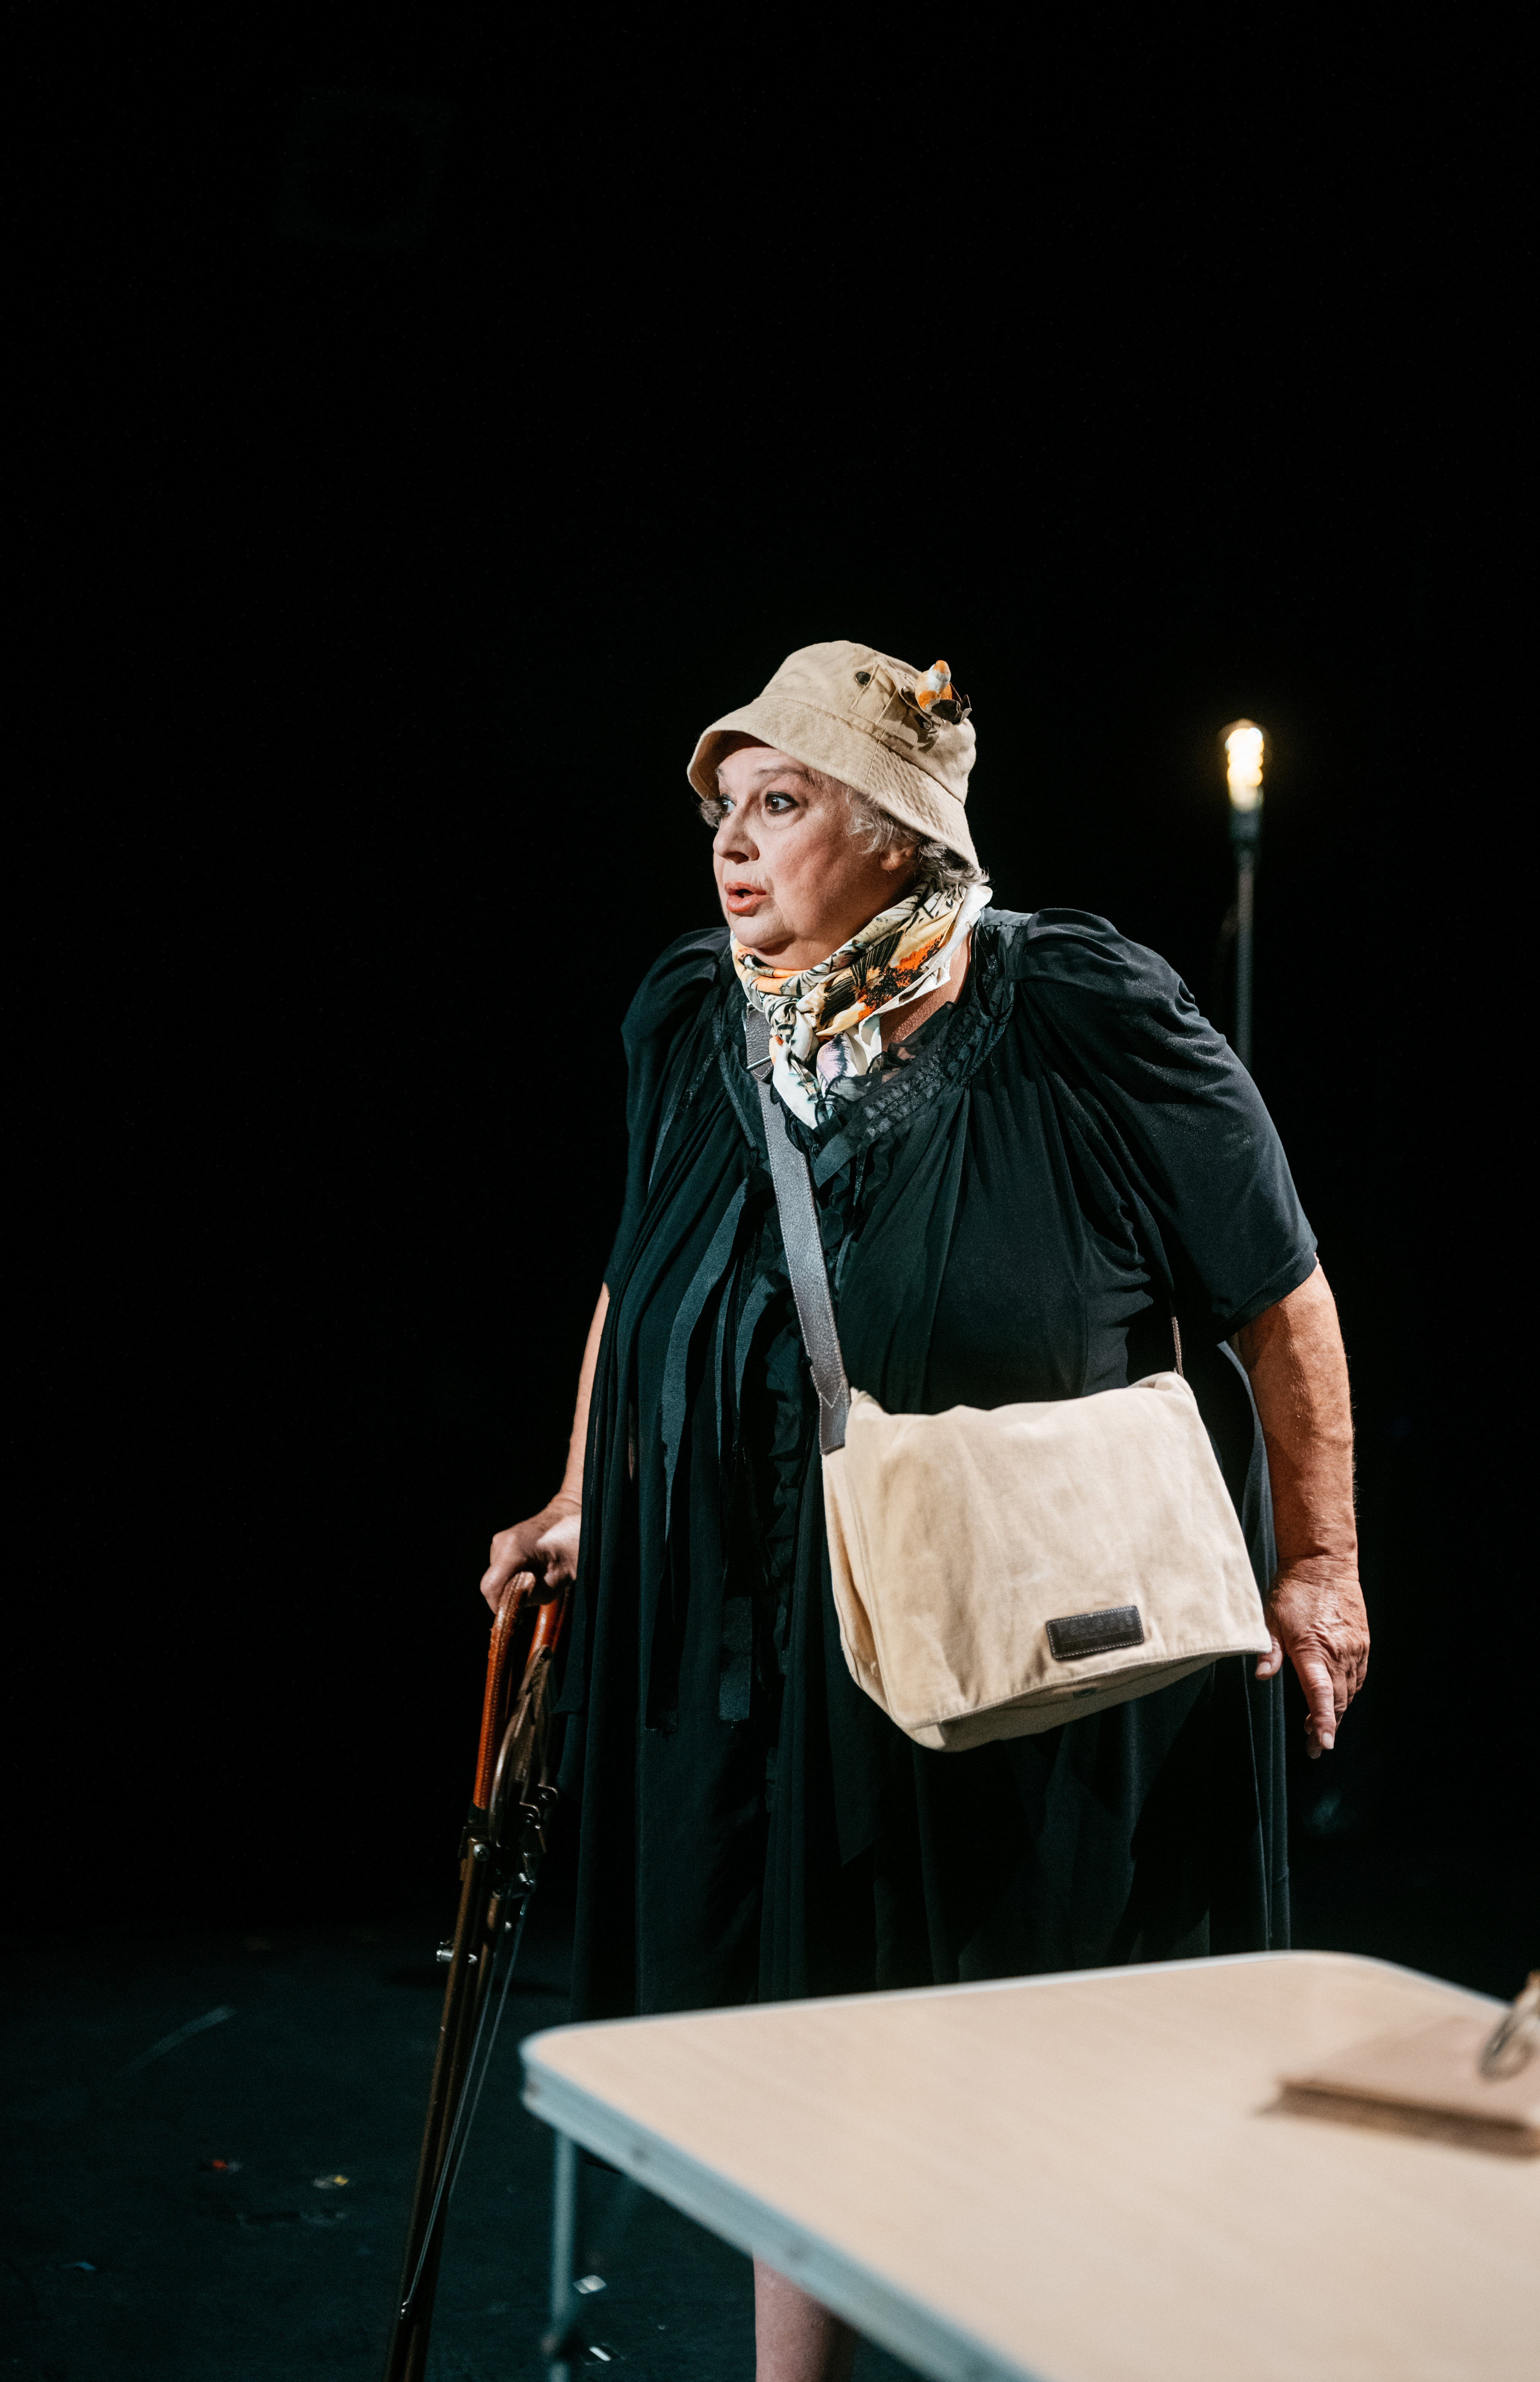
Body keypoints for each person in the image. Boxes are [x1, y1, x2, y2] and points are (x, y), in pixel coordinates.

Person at [481, 641, 1369, 2382]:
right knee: (795, 2024)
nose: (733, 841)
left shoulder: (1077, 1000)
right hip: (774, 1621)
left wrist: (1323, 1563)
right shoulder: (698, 1013)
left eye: (781, 800)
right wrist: (591, 1492)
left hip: (1034, 1623)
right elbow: (639, 1273)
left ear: (899, 830)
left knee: (1035, 2033)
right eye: (723, 807)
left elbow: (1282, 1295)